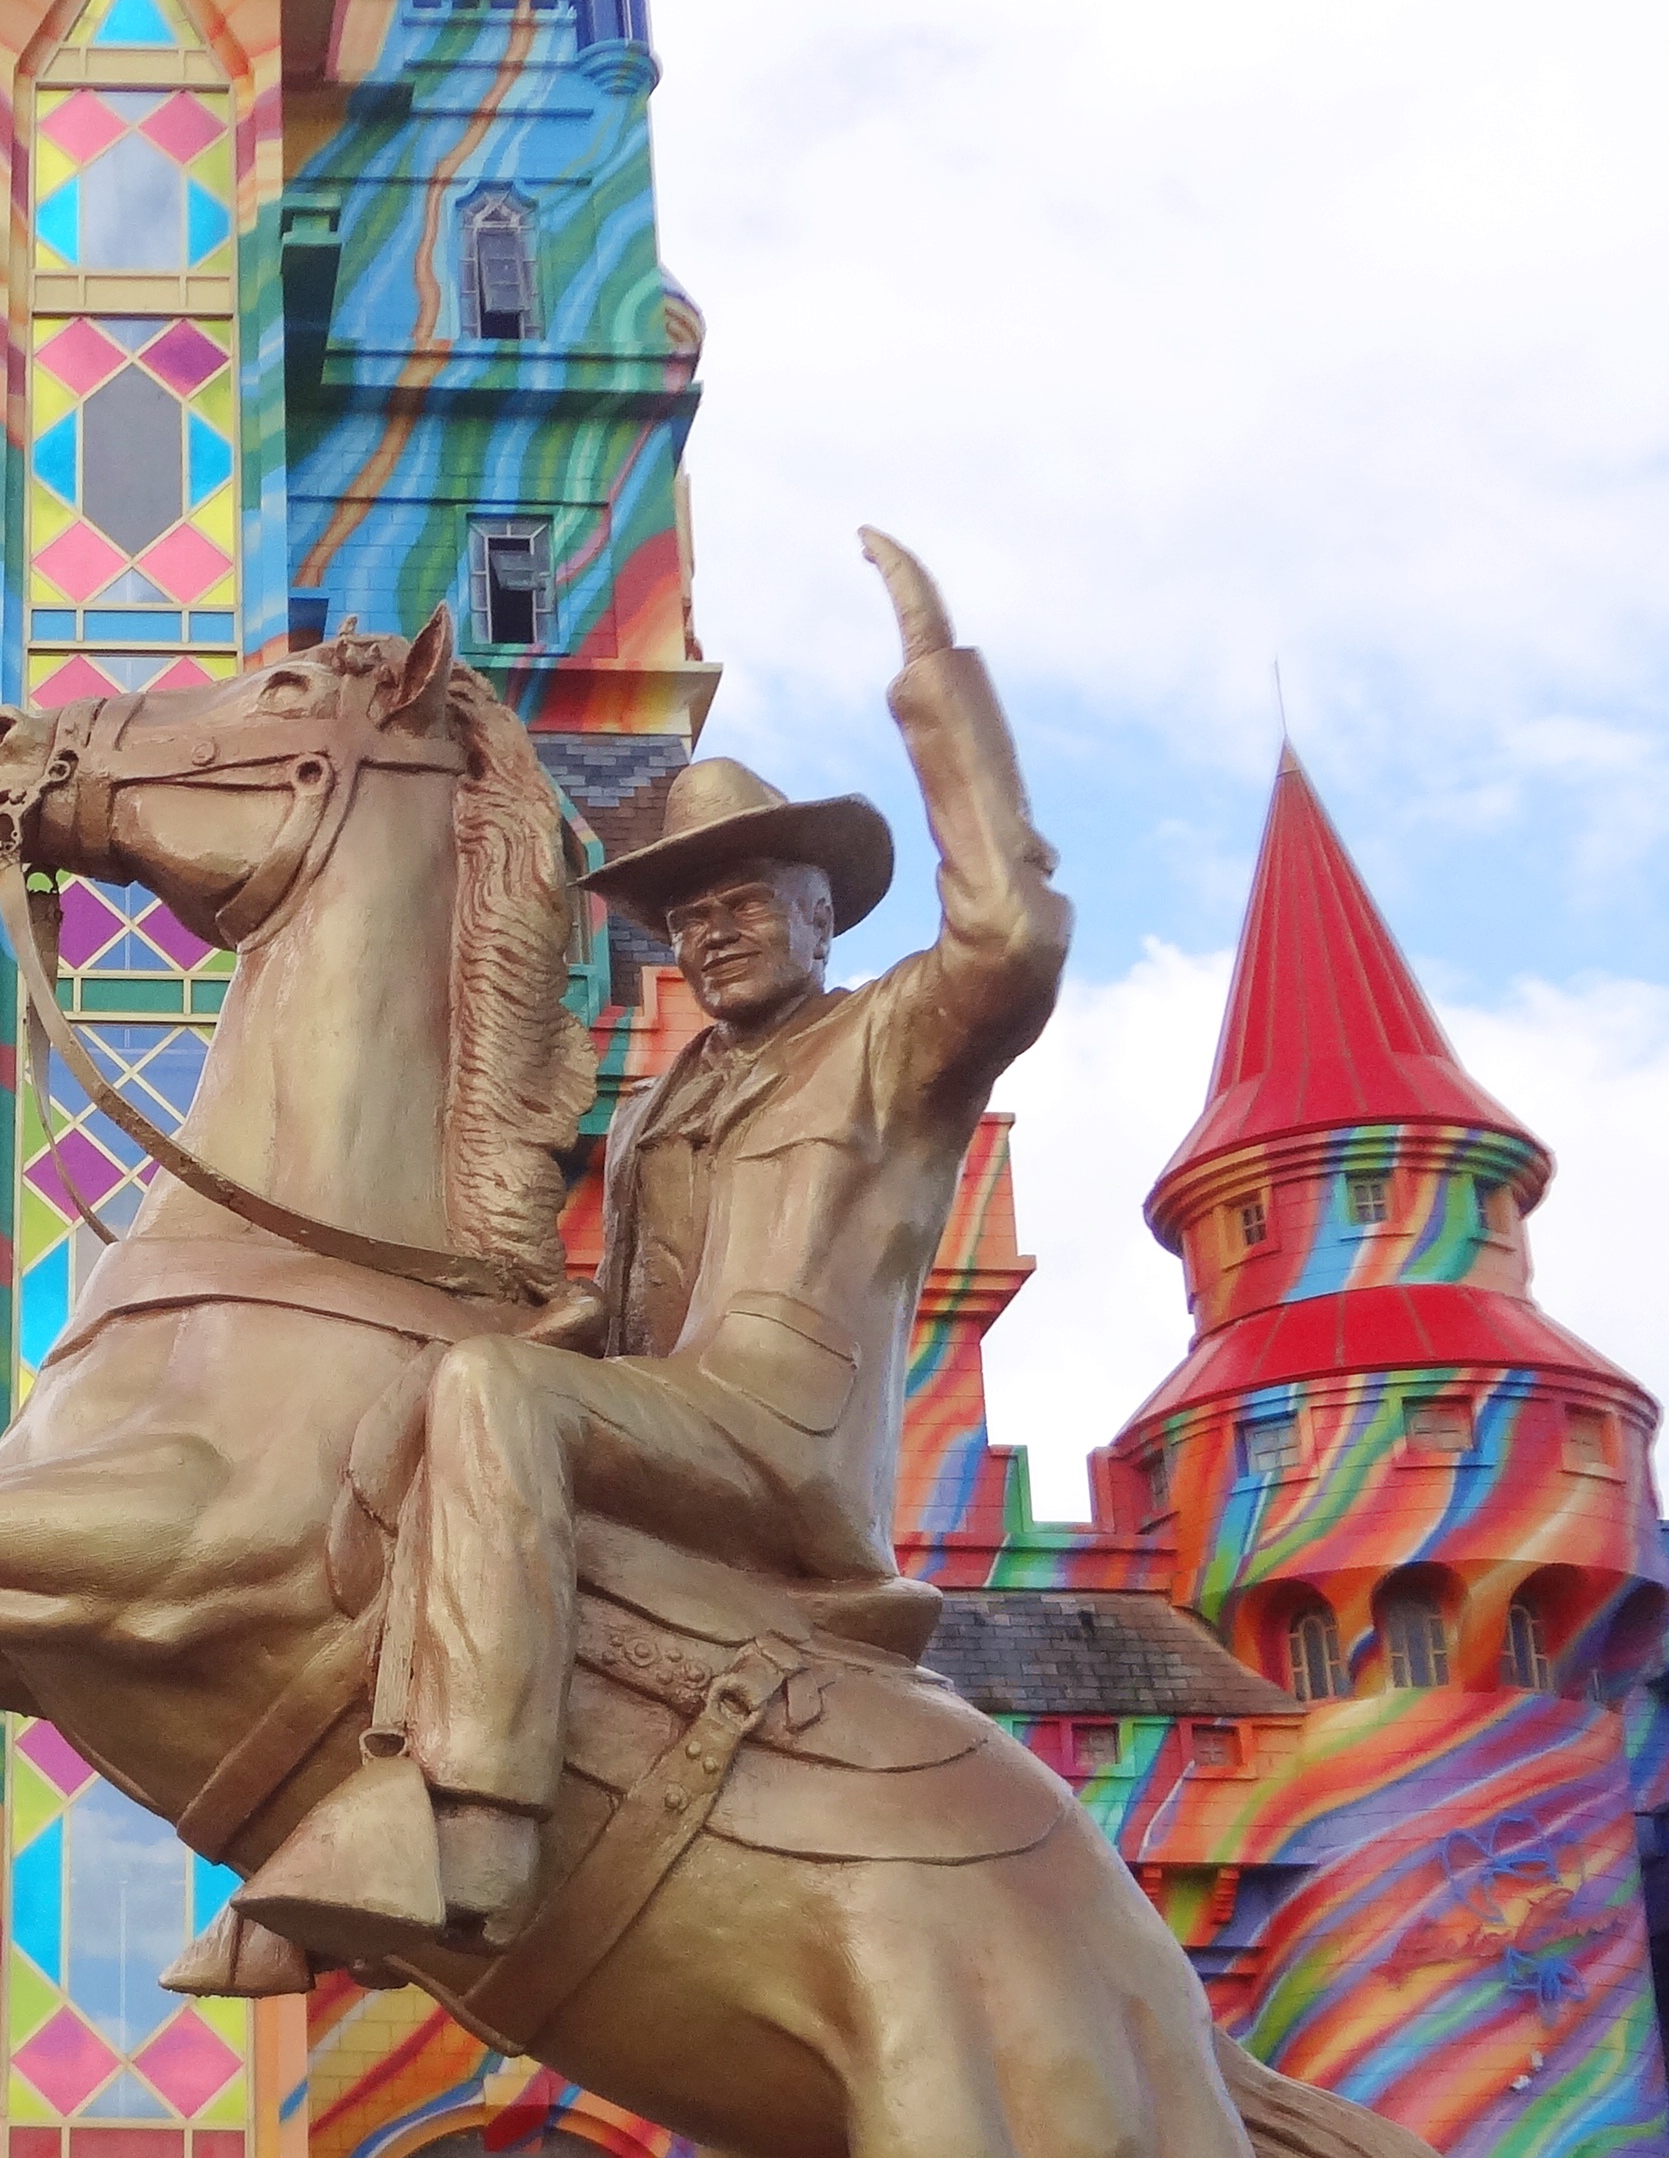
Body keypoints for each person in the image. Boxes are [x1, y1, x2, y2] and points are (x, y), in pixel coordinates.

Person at [234, 541, 1070, 1965]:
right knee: (419, 1407)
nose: (717, 933)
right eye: (691, 918)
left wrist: (936, 681)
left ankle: (477, 1817)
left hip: (781, 1442)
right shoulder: (656, 1110)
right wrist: (422, 1381)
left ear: (823, 912)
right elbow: (622, 1328)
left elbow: (1009, 928)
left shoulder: (893, 1042)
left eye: (748, 903)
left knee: (495, 1400)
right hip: (678, 1415)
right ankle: (327, 1810)